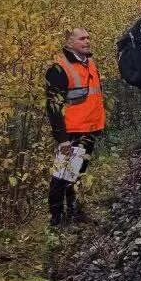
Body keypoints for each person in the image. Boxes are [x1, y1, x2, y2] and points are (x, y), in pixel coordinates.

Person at [45, 28, 105, 226]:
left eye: (88, 37)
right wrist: (61, 139)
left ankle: (74, 213)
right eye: (82, 38)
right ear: (70, 43)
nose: (87, 41)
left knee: (78, 175)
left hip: (89, 129)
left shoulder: (90, 63)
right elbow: (53, 107)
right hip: (72, 132)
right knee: (62, 176)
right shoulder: (59, 68)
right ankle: (56, 220)